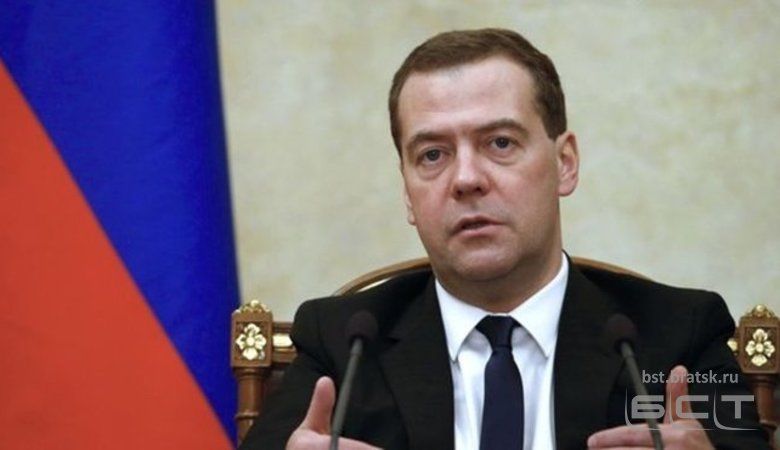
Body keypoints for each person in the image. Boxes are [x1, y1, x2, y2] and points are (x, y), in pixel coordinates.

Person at [240, 28, 769, 449]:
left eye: (499, 143)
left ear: (565, 163)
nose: (466, 178)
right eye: (432, 155)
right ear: (407, 192)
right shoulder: (345, 345)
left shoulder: (673, 338)